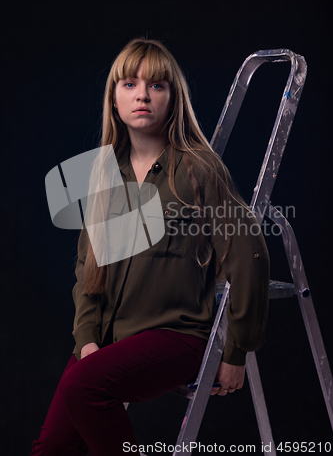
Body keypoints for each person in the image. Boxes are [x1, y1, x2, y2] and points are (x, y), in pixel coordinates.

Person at [31, 38, 270, 455]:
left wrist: (237, 351)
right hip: (108, 341)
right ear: (114, 99)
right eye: (129, 84)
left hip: (176, 337)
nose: (142, 94)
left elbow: (248, 254)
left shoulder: (198, 168)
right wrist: (87, 339)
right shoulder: (104, 173)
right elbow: (88, 268)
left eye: (157, 85)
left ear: (173, 99)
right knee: (50, 448)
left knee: (83, 386)